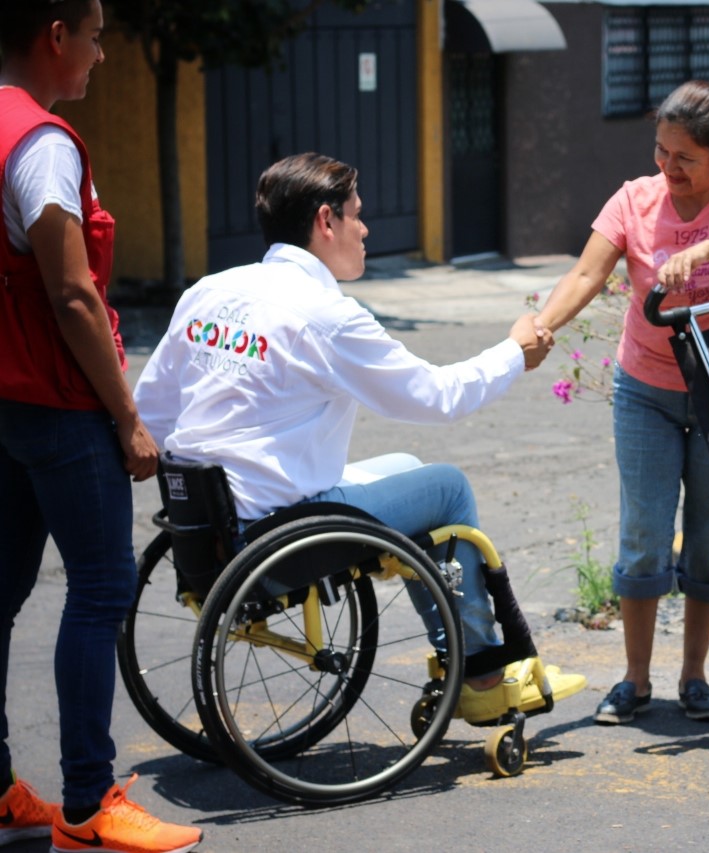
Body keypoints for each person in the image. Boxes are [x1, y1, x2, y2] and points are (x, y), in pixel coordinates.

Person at [132, 152, 584, 724]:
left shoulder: (210, 292)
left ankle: (460, 652)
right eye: (357, 215)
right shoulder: (326, 316)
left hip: (207, 525)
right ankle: (483, 674)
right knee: (446, 488)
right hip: (282, 527)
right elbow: (438, 397)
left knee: (404, 462)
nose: (366, 229)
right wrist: (514, 353)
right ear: (326, 221)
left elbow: (153, 412)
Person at [0, 3, 205, 851]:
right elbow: (73, 293)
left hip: (6, 401)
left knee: (4, 594)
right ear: (56, 35)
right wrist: (127, 416)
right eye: (95, 36)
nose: (102, 54)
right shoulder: (42, 142)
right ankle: (87, 801)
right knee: (100, 589)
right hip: (60, 402)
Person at [533, 80, 709, 724]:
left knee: (708, 542)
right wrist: (543, 326)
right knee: (645, 535)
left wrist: (706, 248)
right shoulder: (634, 200)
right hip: (646, 387)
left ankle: (695, 678)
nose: (667, 169)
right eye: (660, 152)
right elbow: (588, 274)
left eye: (685, 158)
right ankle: (635, 679)